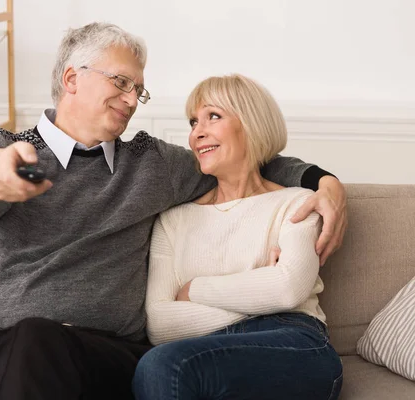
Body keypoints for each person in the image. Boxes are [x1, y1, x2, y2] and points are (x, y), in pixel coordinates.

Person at [0, 22, 347, 400]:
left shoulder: (151, 164)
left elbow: (242, 157)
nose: (132, 99)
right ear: (72, 79)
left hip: (108, 357)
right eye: (121, 82)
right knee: (35, 340)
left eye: (139, 89)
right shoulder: (6, 145)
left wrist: (325, 183)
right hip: (3, 351)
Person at [132, 74, 343, 400]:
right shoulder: (172, 221)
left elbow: (287, 290)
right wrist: (261, 289)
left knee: (162, 366)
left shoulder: (298, 203)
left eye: (213, 116)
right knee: (165, 365)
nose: (196, 132)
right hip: (203, 352)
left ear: (251, 123)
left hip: (293, 342)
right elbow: (160, 324)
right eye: (193, 121)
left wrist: (194, 290)